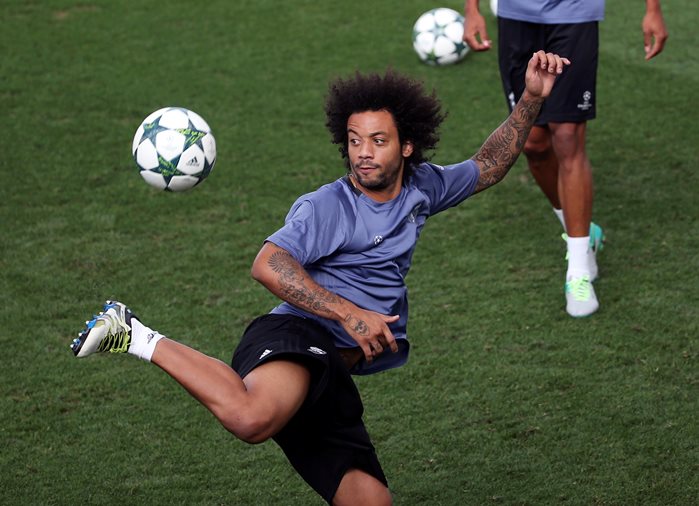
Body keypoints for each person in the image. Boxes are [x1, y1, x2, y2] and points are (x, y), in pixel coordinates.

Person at [70, 51, 569, 505]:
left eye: (378, 140)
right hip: (298, 336)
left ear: (408, 147)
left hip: (330, 372)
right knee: (251, 418)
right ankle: (132, 332)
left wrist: (529, 98)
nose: (364, 153)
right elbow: (268, 263)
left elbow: (487, 165)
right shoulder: (328, 206)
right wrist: (350, 315)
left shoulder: (421, 188)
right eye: (355, 141)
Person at [463, 0, 668, 317]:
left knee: (567, 136)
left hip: (575, 15)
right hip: (516, 15)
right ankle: (583, 231)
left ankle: (579, 271)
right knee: (532, 142)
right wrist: (471, 9)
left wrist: (653, 9)